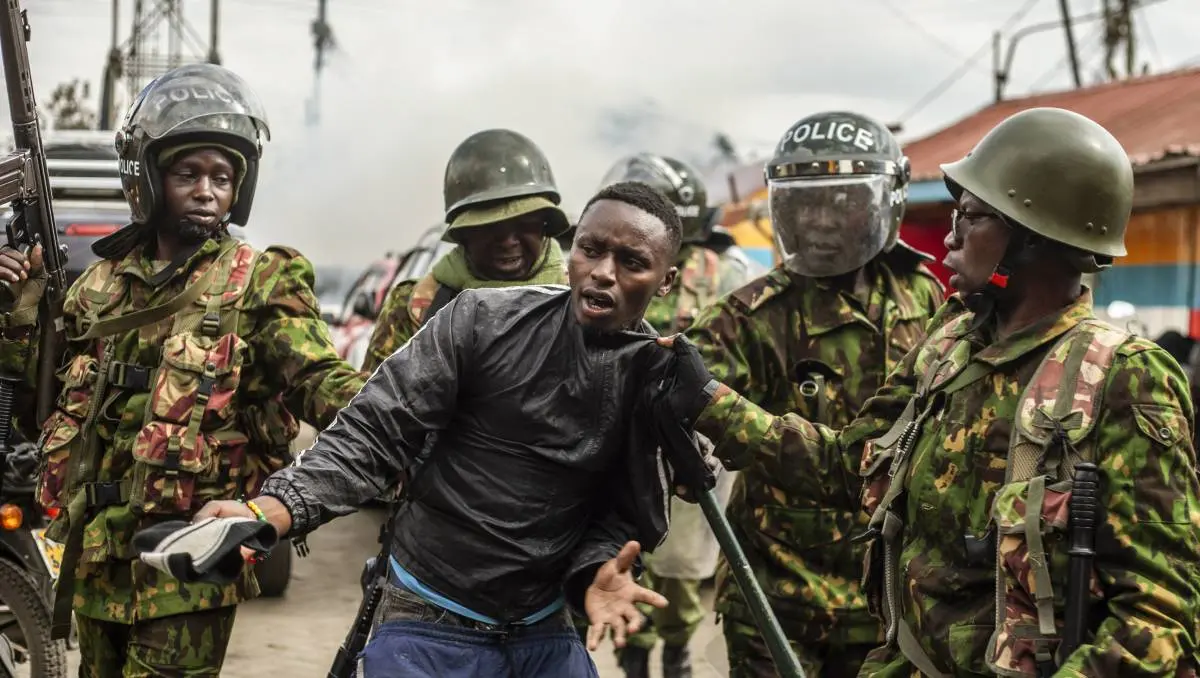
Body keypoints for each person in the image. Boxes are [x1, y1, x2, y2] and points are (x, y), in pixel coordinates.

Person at [664, 107, 1200, 676]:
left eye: (972, 216)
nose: (951, 234)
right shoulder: (949, 345)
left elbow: (1157, 622)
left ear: (1031, 235)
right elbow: (852, 467)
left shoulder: (1124, 377)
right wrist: (710, 401)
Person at [198, 181, 702, 678]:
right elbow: (375, 429)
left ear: (666, 280)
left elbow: (626, 511)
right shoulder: (480, 322)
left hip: (543, 623)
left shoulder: (659, 380)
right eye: (590, 250)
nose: (602, 274)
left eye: (632, 262)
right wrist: (278, 507)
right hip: (429, 613)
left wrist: (597, 572)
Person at [0, 63, 366, 677]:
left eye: (222, 177)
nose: (206, 191)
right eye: (187, 173)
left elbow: (319, 380)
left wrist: (407, 412)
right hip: (96, 561)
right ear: (148, 179)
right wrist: (17, 309)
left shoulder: (259, 281)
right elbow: (36, 409)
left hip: (187, 566)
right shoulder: (97, 288)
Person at [679, 111, 944, 678]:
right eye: (805, 205)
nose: (822, 221)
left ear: (882, 203)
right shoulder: (748, 316)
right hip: (777, 597)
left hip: (891, 595)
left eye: (843, 201)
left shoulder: (924, 295)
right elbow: (669, 395)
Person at [596, 152, 753, 678]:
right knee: (624, 560)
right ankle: (634, 656)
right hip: (615, 446)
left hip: (689, 445)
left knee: (683, 574)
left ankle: (680, 657)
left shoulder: (727, 273)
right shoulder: (600, 268)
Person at [362, 129, 571, 373]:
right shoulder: (416, 307)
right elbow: (376, 403)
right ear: (463, 236)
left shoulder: (582, 301)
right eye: (489, 227)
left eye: (524, 224)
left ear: (544, 226)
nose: (507, 241)